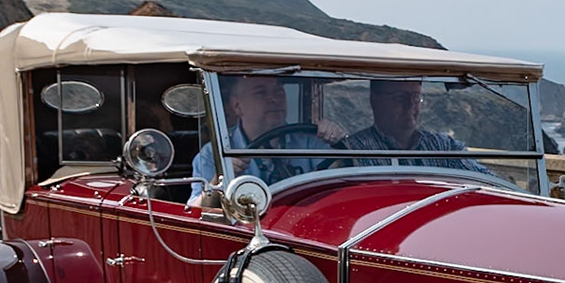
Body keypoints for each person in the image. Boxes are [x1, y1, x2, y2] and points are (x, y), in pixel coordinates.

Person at [192, 75, 340, 187]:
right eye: (260, 92)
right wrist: (220, 179)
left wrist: (338, 143)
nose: (273, 99)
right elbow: (198, 210)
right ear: (237, 106)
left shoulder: (310, 142)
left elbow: (336, 186)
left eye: (278, 91)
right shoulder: (214, 154)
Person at [342, 79, 497, 176]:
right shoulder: (355, 150)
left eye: (415, 97)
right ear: (375, 100)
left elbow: (485, 179)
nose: (411, 105)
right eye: (400, 97)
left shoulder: (441, 146)